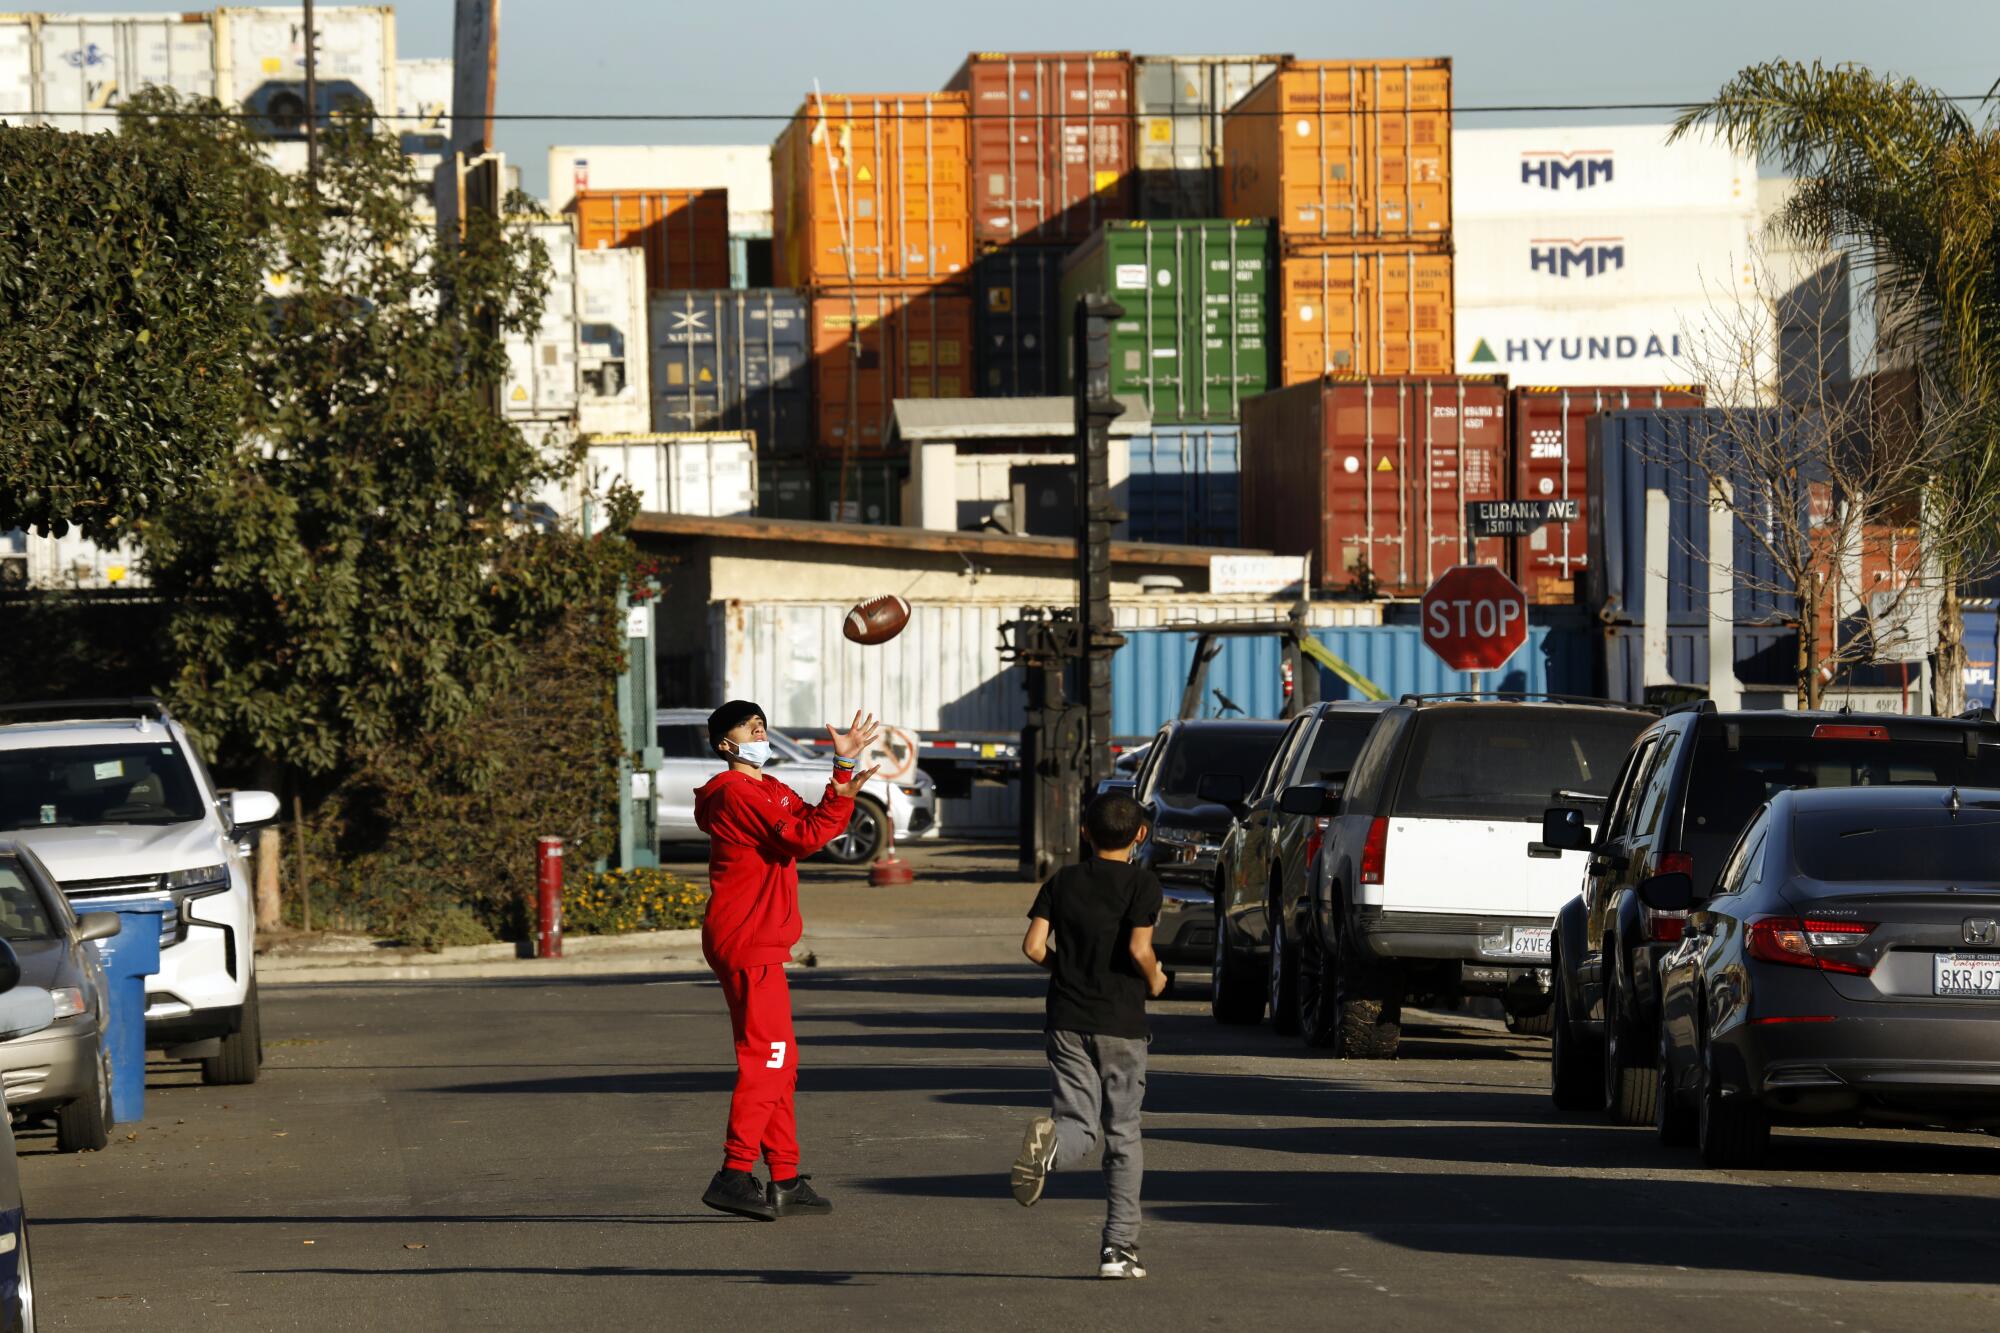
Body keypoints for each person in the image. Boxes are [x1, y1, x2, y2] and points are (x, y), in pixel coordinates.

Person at [694, 700, 880, 1222]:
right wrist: (839, 791)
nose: (761, 731)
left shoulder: (765, 789)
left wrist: (842, 771)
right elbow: (802, 838)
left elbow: (814, 822)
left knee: (780, 1061)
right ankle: (732, 1174)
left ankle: (785, 1177)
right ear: (725, 744)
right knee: (768, 1058)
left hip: (757, 939)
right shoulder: (733, 792)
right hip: (747, 936)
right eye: (749, 727)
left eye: (762, 724)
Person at [1009, 792, 1168, 1279]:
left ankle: (1052, 1146)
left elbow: (1033, 946)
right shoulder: (1143, 885)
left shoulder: (1064, 881)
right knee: (1123, 1134)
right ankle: (1118, 1250)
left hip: (1066, 1019)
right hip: (1121, 1022)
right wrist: (1156, 979)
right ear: (1140, 834)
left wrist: (1066, 970)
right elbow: (1140, 947)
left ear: (1085, 833)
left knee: (1077, 1121)